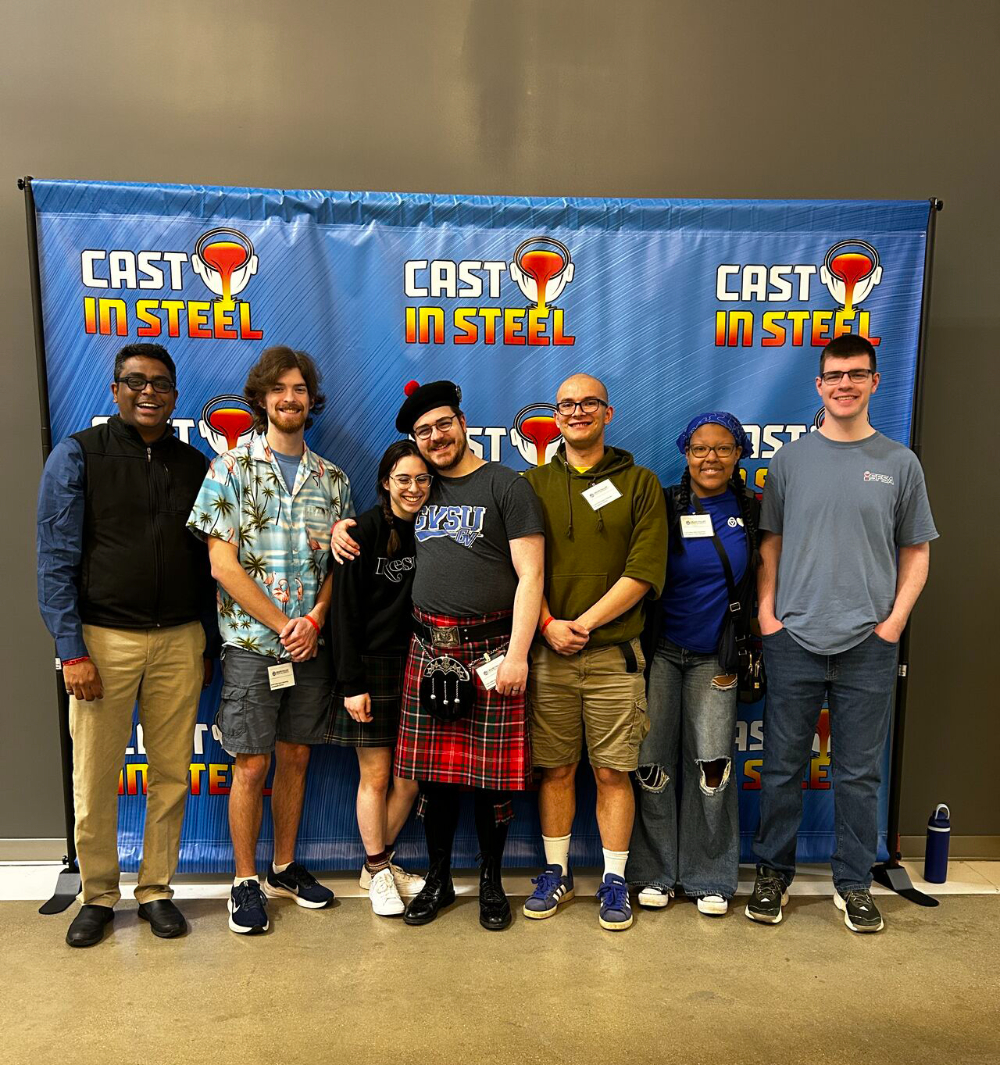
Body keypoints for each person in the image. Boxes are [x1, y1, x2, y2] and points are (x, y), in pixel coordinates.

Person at [334, 380, 544, 930]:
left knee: (491, 781)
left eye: (443, 424)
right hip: (426, 651)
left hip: (493, 650)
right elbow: (379, 522)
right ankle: (442, 881)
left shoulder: (506, 485)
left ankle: (493, 885)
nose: (435, 436)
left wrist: (519, 651)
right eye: (423, 431)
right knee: (435, 779)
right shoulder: (419, 491)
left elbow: (532, 575)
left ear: (462, 421)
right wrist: (342, 529)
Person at [747, 334, 938, 933]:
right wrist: (767, 615)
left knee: (858, 773)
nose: (845, 384)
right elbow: (770, 543)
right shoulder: (790, 461)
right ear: (819, 385)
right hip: (794, 637)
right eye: (834, 375)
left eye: (857, 374)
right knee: (780, 767)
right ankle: (772, 874)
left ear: (875, 382)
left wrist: (893, 624)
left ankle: (854, 883)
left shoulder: (900, 463)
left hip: (868, 645)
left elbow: (917, 551)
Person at [36, 342, 218, 947]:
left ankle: (157, 890)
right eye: (135, 381)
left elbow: (212, 565)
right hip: (101, 641)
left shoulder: (195, 466)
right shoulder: (78, 457)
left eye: (160, 384)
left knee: (171, 773)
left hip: (180, 641)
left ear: (173, 394)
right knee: (94, 777)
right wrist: (71, 650)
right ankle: (97, 895)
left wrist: (208, 645)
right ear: (114, 390)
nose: (148, 392)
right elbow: (54, 562)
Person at [188, 346, 353, 935]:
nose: (290, 398)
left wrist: (314, 621)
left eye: (300, 388)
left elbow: (337, 568)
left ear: (311, 399)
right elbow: (223, 567)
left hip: (308, 649)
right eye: (279, 388)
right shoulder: (229, 469)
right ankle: (244, 879)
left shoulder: (332, 480)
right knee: (252, 764)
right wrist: (283, 623)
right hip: (251, 648)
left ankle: (284, 866)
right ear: (261, 399)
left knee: (297, 758)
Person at [522, 374, 667, 931]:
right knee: (555, 770)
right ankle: (555, 874)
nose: (576, 412)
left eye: (588, 403)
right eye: (566, 404)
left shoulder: (640, 483)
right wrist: (548, 625)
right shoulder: (530, 484)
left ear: (608, 413)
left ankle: (613, 881)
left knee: (613, 772)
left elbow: (644, 571)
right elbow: (520, 570)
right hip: (547, 654)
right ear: (554, 417)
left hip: (613, 657)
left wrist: (578, 623)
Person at [628, 412, 759, 917]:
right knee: (652, 763)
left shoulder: (751, 510)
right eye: (700, 448)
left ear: (739, 454)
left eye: (722, 448)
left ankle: (710, 876)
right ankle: (655, 872)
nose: (710, 458)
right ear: (685, 453)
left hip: (716, 657)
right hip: (659, 652)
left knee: (713, 767)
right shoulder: (662, 502)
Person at [326, 441, 429, 916]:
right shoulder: (359, 533)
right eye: (403, 479)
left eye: (422, 479)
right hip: (371, 668)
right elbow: (342, 615)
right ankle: (377, 867)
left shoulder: (438, 529)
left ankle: (377, 865)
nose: (413, 488)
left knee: (409, 780)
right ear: (386, 481)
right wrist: (351, 684)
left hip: (420, 665)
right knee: (376, 774)